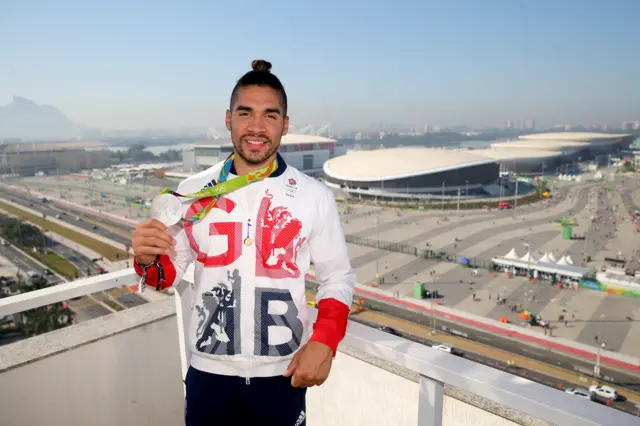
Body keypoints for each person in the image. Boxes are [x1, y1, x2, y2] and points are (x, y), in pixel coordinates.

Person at [131, 60, 355, 426]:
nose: (256, 127)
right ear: (228, 119)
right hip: (207, 373)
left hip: (282, 376)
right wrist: (146, 256)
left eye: (270, 116)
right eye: (245, 113)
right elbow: (169, 275)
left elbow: (338, 278)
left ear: (285, 124)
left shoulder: (315, 196)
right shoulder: (192, 192)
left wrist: (325, 342)